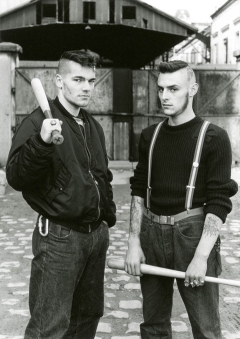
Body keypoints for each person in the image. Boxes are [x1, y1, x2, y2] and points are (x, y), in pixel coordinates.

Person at [6, 50, 116, 339]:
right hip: (59, 238)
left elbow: (102, 175)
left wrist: (107, 217)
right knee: (49, 326)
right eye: (77, 79)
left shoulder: (92, 126)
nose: (86, 87)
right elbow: (16, 176)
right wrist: (41, 143)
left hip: (94, 236)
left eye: (91, 80)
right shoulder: (36, 123)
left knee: (86, 319)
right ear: (58, 80)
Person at [125, 60, 238, 339]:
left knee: (206, 329)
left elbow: (218, 201)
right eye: (161, 88)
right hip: (151, 234)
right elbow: (139, 189)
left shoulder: (214, 137)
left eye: (173, 89)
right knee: (153, 326)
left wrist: (201, 258)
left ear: (193, 89)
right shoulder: (150, 136)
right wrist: (133, 242)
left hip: (192, 236)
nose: (164, 96)